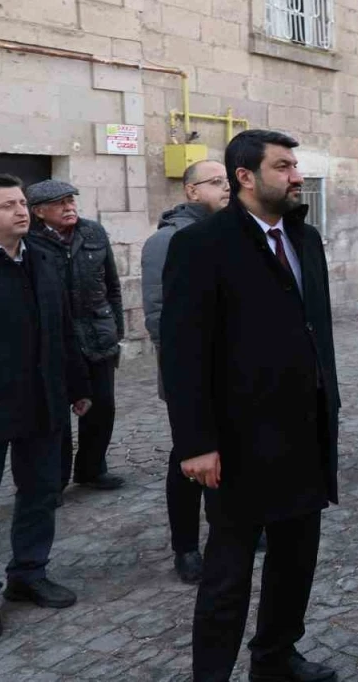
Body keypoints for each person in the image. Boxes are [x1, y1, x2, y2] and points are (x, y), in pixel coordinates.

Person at [161, 130, 339, 682]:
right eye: (283, 166)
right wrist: (195, 443)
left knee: (296, 559)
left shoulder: (305, 238)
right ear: (245, 176)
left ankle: (275, 657)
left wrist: (328, 404)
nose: (296, 176)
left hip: (304, 432)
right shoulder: (201, 245)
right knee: (228, 572)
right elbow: (183, 352)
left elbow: (314, 330)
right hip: (239, 441)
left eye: (295, 165)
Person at [0, 174, 92, 639]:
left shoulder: (43, 258)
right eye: (6, 206)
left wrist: (78, 384)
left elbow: (63, 326)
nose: (19, 211)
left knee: (39, 491)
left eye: (20, 203)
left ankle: (28, 573)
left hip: (42, 398)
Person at [140, 160, 230, 584]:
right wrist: (185, 372)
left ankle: (231, 525)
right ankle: (186, 546)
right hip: (189, 376)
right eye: (216, 182)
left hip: (232, 371)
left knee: (231, 450)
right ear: (192, 190)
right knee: (188, 455)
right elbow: (160, 316)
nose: (226, 188)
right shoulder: (166, 241)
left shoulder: (228, 232)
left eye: (228, 181)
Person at [24, 179, 125, 494]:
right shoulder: (29, 240)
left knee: (102, 407)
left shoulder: (93, 232)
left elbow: (112, 285)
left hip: (97, 334)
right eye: (60, 203)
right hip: (55, 340)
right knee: (57, 414)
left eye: (71, 201)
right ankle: (54, 482)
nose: (69, 207)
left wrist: (116, 329)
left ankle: (92, 469)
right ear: (39, 211)